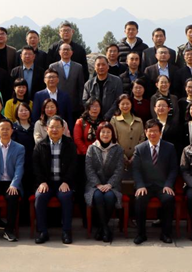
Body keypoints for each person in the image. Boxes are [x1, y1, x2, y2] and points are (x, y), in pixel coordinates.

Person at [132, 119, 178, 245]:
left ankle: (166, 234)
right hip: (145, 186)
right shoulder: (139, 149)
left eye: (156, 131)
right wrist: (140, 185)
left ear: (160, 133)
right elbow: (136, 170)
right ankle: (141, 234)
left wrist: (168, 185)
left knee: (169, 199)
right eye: (150, 131)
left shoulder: (169, 147)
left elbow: (174, 169)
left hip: (163, 186)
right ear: (145, 132)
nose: (153, 134)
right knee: (139, 199)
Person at [33, 116, 77, 244]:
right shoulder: (40, 145)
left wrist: (66, 181)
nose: (55, 130)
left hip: (63, 182)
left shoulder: (69, 144)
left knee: (66, 197)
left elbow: (74, 165)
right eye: (52, 127)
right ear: (47, 129)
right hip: (46, 182)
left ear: (63, 129)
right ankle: (42, 232)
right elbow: (35, 166)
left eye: (58, 127)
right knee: (40, 197)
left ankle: (66, 231)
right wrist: (41, 182)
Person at [85, 121, 125, 242]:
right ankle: (106, 229)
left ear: (112, 134)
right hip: (94, 185)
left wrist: (109, 184)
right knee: (97, 196)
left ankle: (101, 229)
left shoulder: (118, 149)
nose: (106, 134)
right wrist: (98, 184)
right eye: (103, 132)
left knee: (109, 197)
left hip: (112, 185)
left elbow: (119, 169)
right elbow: (89, 168)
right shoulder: (92, 148)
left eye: (108, 132)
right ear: (98, 133)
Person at [49, 43, 86, 120]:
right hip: (57, 103)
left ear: (72, 52)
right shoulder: (53, 66)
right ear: (59, 52)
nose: (66, 51)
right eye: (64, 50)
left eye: (68, 50)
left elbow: (81, 86)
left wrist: (80, 103)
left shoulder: (78, 67)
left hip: (74, 105)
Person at [12, 102, 35, 217]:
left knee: (31, 188)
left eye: (26, 110)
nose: (24, 112)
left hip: (32, 162)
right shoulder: (14, 127)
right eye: (21, 110)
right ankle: (20, 217)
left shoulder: (34, 126)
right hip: (18, 163)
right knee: (19, 188)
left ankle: (31, 216)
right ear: (17, 113)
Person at [83, 55, 124, 120]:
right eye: (98, 65)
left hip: (112, 118)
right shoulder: (88, 84)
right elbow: (85, 101)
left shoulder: (117, 81)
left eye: (103, 64)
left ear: (108, 66)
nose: (101, 67)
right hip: (93, 118)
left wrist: (107, 116)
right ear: (95, 67)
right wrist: (94, 114)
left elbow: (118, 100)